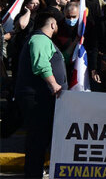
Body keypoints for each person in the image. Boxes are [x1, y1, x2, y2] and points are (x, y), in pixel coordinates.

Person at [14, 12, 66, 178]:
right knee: (37, 140)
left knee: (40, 140)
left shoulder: (43, 40)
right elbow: (41, 64)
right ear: (52, 25)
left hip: (41, 97)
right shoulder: (39, 39)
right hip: (37, 98)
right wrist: (54, 85)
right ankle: (33, 175)